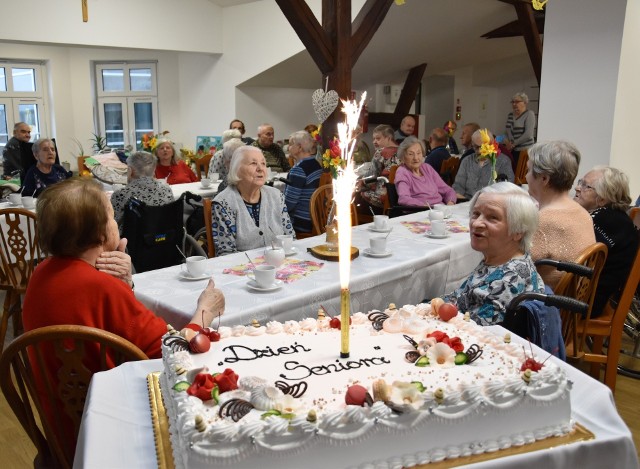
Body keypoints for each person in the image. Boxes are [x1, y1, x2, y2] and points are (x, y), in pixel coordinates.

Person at [22, 177, 225, 452]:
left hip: (61, 426)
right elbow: (175, 351)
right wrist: (205, 311)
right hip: (112, 427)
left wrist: (124, 285)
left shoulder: (40, 274)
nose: (117, 222)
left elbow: (117, 329)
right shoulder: (99, 287)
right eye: (111, 216)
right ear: (99, 232)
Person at [446, 182, 545, 326]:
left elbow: (470, 337)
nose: (476, 224)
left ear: (518, 231)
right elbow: (460, 298)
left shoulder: (506, 283)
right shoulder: (501, 259)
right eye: (476, 214)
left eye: (492, 217)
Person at [525, 141, 595, 289]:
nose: (525, 177)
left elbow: (514, 266)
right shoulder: (583, 213)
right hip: (573, 304)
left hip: (544, 305)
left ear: (544, 179)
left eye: (528, 171)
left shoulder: (544, 220)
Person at [574, 166, 639, 317]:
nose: (577, 188)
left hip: (584, 304)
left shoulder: (601, 220)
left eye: (586, 186)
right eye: (580, 182)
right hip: (593, 299)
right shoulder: (616, 219)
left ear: (602, 199)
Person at [212, 146, 294, 255]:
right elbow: (225, 253)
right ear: (237, 169)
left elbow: (290, 238)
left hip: (279, 263)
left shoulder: (276, 196)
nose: (260, 168)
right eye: (253, 163)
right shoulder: (223, 203)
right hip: (242, 267)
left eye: (263, 163)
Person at [110, 151, 174, 226]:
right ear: (153, 171)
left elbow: (113, 225)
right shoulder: (166, 189)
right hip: (165, 236)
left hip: (131, 237)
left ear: (130, 171)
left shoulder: (120, 194)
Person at [452, 129, 514, 200]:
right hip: (466, 202)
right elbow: (458, 186)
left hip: (490, 203)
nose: (479, 151)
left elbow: (507, 188)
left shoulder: (503, 161)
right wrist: (461, 199)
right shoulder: (467, 161)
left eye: (481, 147)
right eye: (475, 147)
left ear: (491, 145)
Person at [395, 136, 456, 207]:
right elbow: (404, 199)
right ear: (403, 157)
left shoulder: (427, 168)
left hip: (440, 210)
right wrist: (425, 206)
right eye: (411, 154)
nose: (416, 158)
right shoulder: (403, 172)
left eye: (418, 153)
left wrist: (450, 202)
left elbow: (448, 190)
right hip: (421, 212)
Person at [284, 131, 322, 233]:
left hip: (300, 222)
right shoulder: (316, 164)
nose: (288, 148)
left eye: (291, 144)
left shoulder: (299, 170)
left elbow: (289, 204)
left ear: (300, 148)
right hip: (316, 219)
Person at [359, 124, 399, 211]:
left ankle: (359, 222)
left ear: (388, 138)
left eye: (378, 138)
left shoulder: (381, 152)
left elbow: (371, 177)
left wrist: (359, 183)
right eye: (373, 139)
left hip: (383, 197)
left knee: (356, 193)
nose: (374, 142)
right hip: (399, 196)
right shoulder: (402, 151)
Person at [504, 92, 536, 167]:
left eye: (517, 102)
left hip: (525, 151)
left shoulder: (529, 114)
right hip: (512, 150)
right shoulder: (510, 115)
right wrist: (507, 143)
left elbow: (528, 134)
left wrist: (513, 144)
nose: (514, 104)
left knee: (521, 174)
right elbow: (506, 131)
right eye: (513, 102)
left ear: (525, 102)